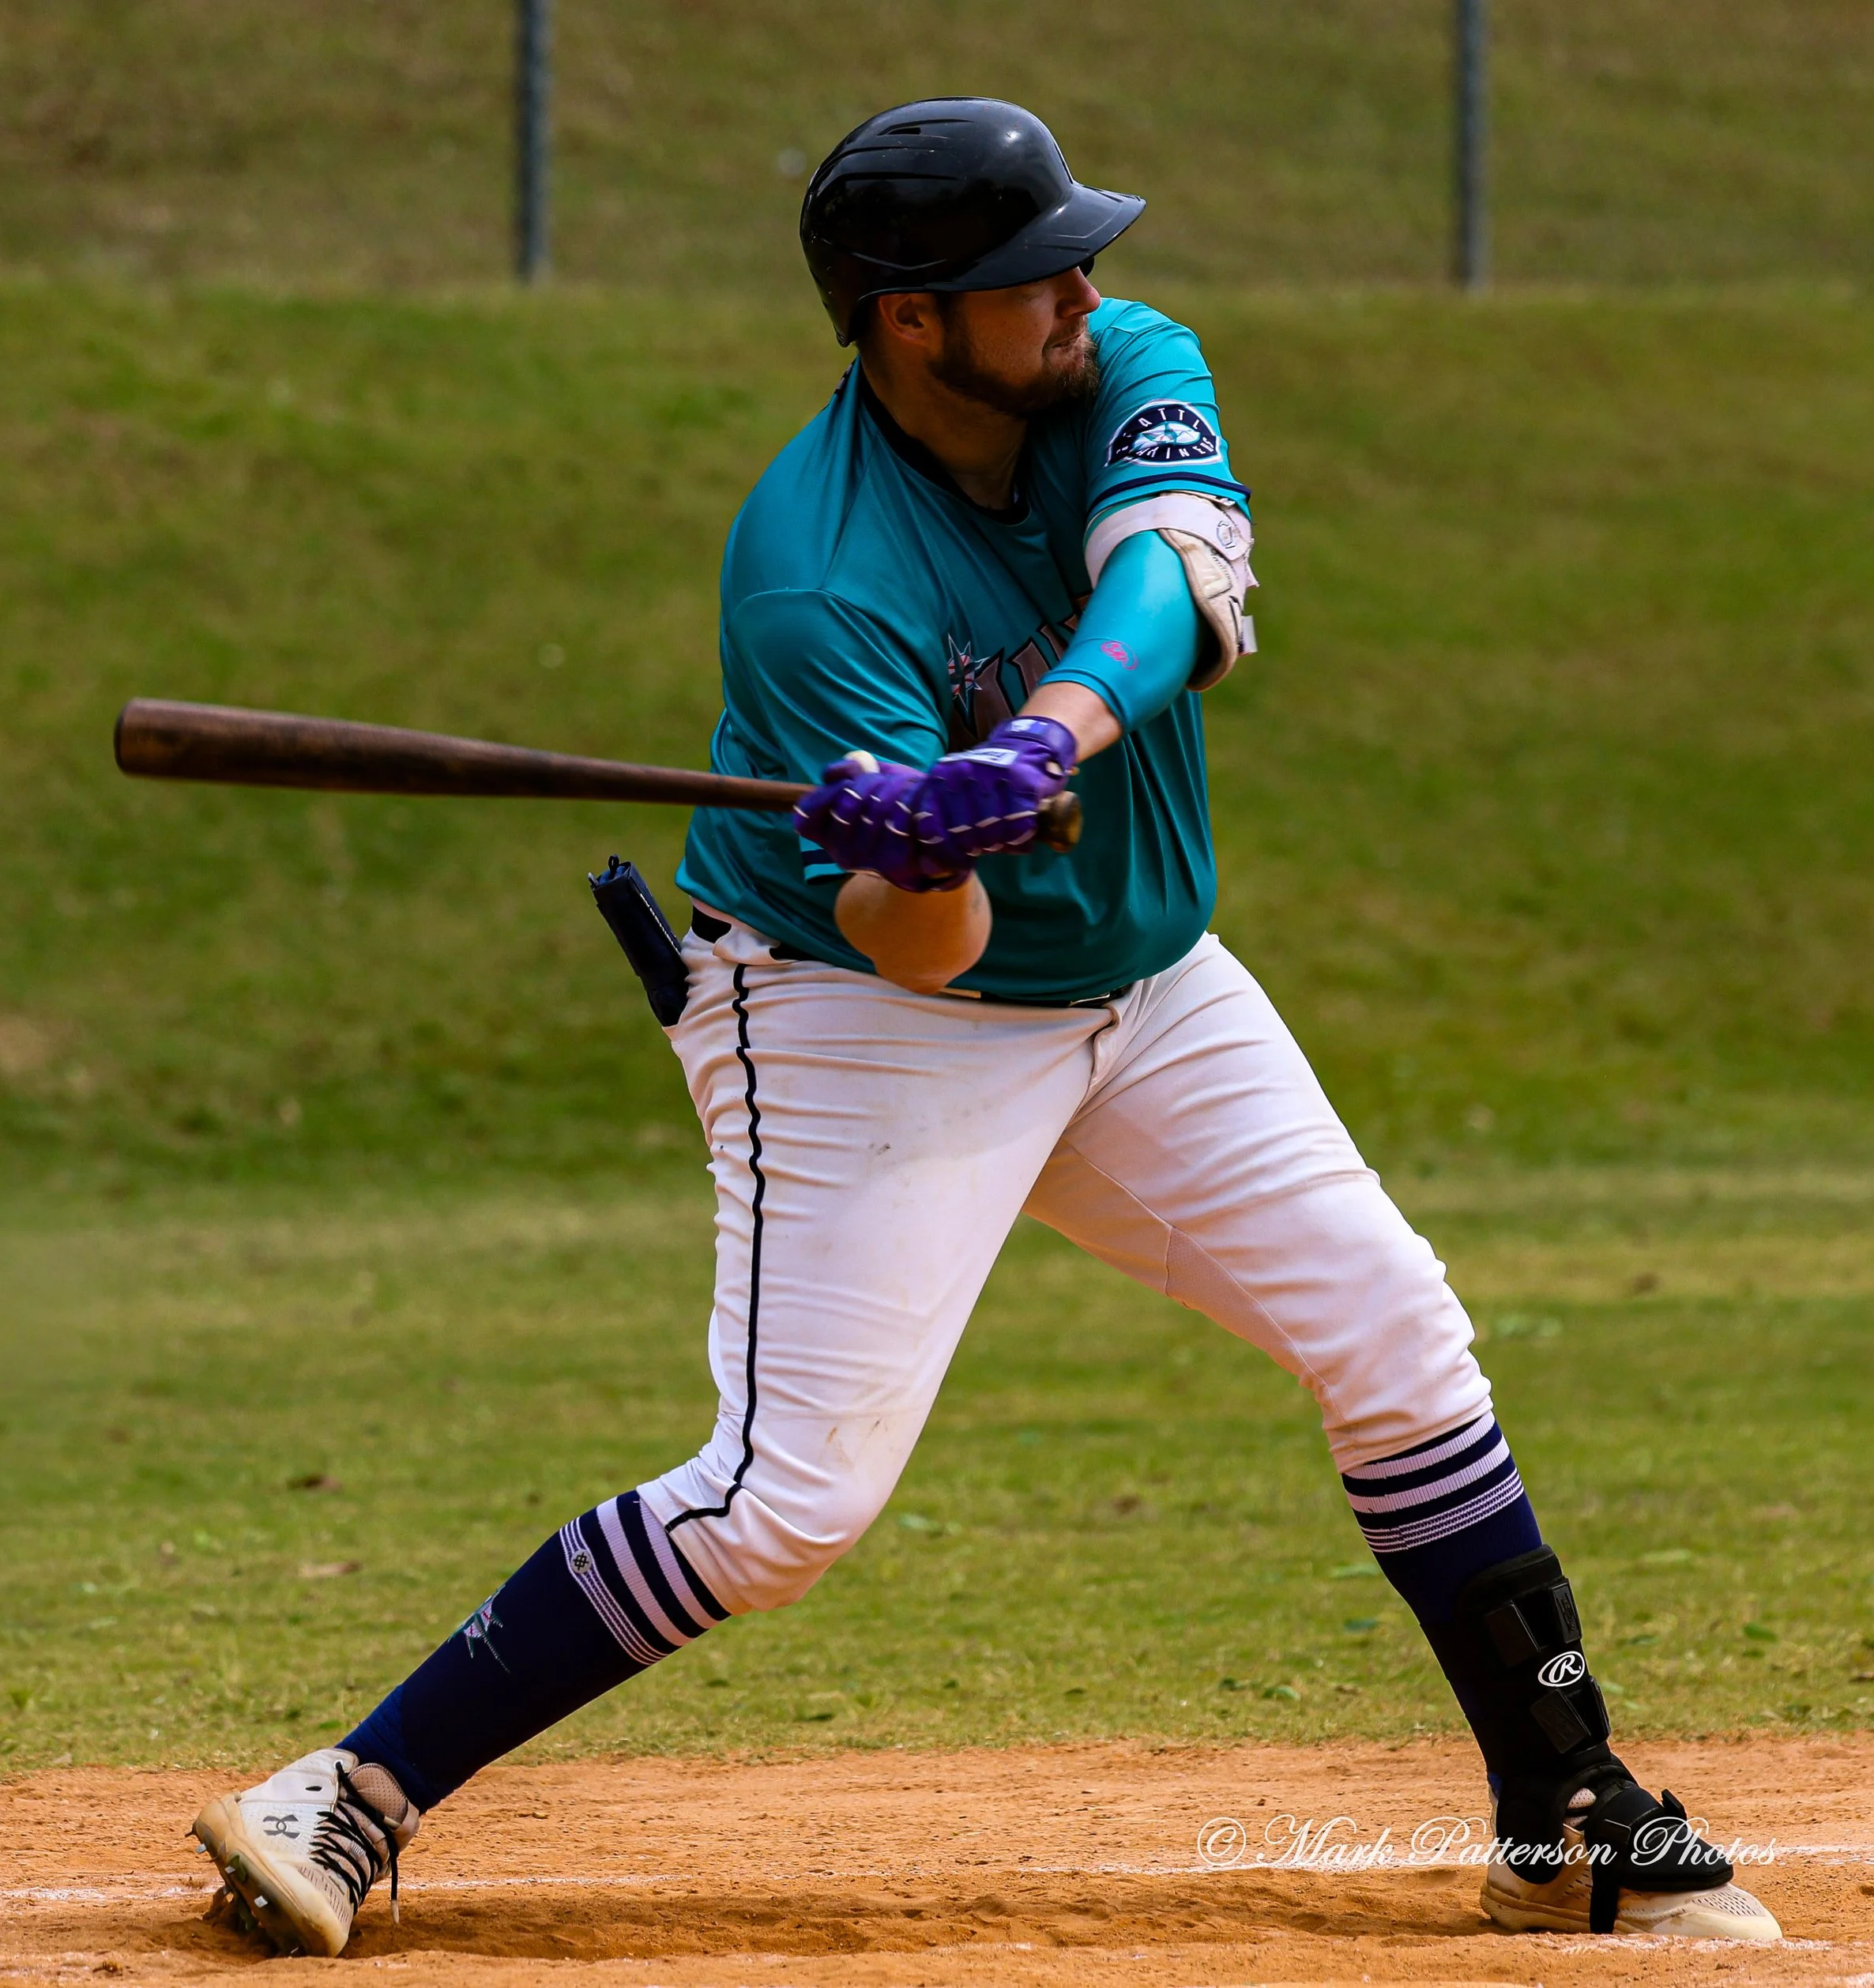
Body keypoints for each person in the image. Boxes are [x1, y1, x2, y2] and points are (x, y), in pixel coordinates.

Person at [191, 98, 1781, 1956]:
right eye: (1032, 275)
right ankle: (351, 1791)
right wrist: (920, 849)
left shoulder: (1121, 367)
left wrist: (1033, 743)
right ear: (905, 317)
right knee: (784, 1508)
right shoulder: (813, 577)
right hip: (852, 1011)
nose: (1081, 294)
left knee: (1392, 1331)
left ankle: (1564, 1812)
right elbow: (917, 952)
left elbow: (1172, 585)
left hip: (1146, 984)